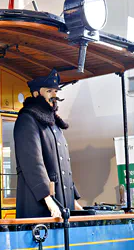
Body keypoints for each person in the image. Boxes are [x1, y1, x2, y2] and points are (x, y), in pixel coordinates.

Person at [14, 69, 84, 219]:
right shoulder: (27, 120)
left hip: (62, 204)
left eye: (55, 91)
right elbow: (32, 163)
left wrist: (73, 198)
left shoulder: (54, 122)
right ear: (36, 94)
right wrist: (48, 198)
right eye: (49, 91)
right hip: (40, 205)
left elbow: (63, 166)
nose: (54, 95)